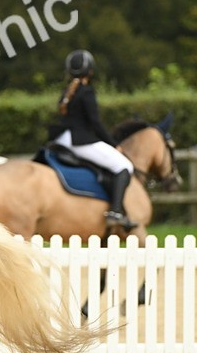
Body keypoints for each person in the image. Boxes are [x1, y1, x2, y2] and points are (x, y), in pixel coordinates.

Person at [47, 50, 136, 229]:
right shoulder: (86, 92)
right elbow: (95, 123)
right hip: (80, 140)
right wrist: (113, 144)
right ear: (90, 71)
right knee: (124, 166)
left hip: (62, 139)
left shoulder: (68, 91)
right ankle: (116, 212)